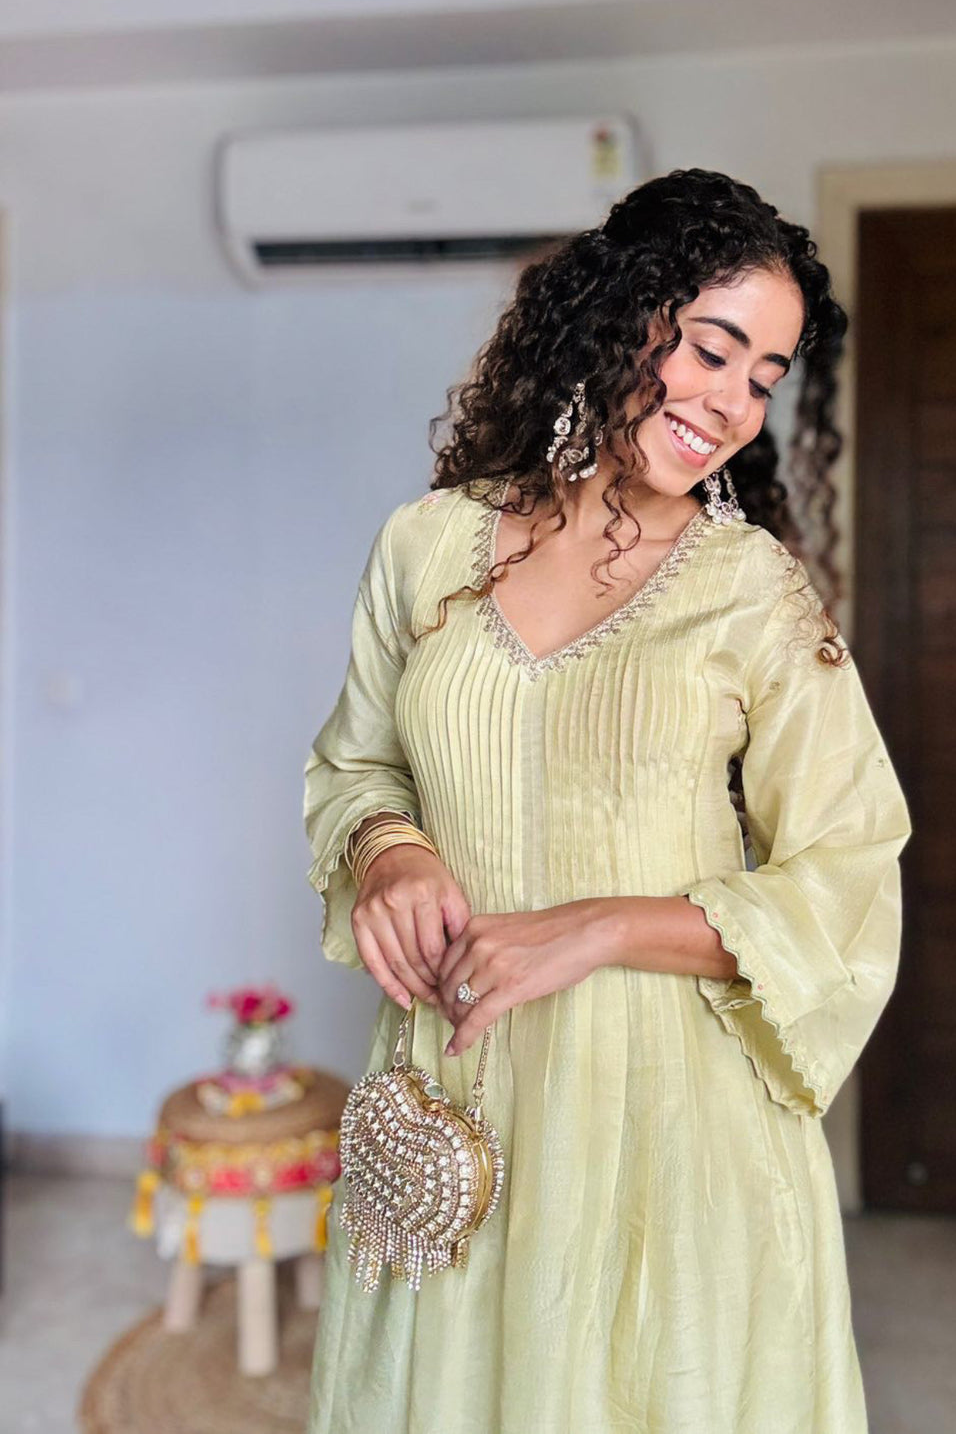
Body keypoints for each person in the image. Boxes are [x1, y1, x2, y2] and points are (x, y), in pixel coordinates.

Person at [301, 167, 913, 1433]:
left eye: (766, 377)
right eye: (713, 349)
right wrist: (387, 851)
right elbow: (358, 759)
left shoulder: (756, 595)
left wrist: (597, 926)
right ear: (621, 312)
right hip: (451, 1090)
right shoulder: (426, 546)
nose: (734, 403)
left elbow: (848, 874)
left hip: (665, 1108)